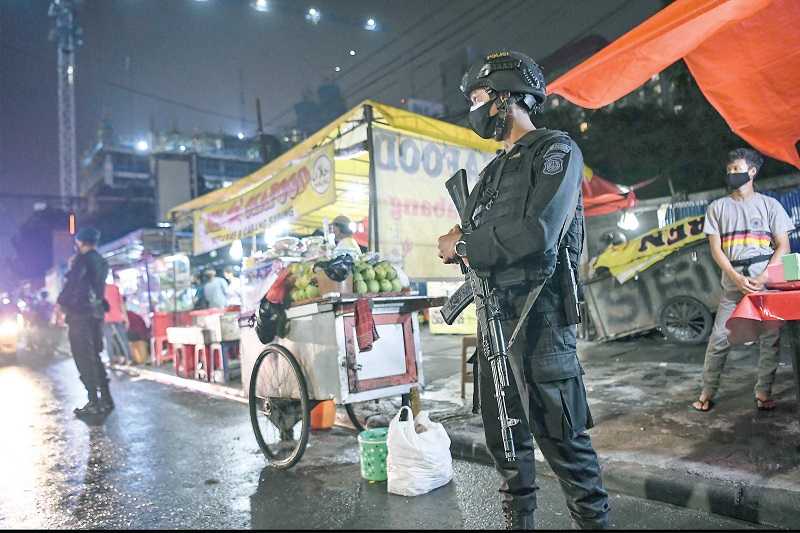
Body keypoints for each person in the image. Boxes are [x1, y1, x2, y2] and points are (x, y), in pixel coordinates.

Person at [436, 50, 608, 529]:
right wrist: (460, 243)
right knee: (506, 443)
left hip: (542, 321)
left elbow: (537, 233)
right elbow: (484, 239)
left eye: (477, 97)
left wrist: (465, 242)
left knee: (564, 443)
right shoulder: (491, 173)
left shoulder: (556, 151)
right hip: (494, 320)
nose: (472, 107)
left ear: (505, 98)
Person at [692, 148, 795, 413]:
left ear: (752, 171)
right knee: (719, 340)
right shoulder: (718, 208)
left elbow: (783, 245)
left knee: (770, 338)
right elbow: (716, 250)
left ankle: (763, 391)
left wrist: (764, 276)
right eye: (728, 171)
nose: (731, 174)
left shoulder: (770, 205)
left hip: (767, 283)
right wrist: (736, 278)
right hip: (733, 284)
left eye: (736, 169)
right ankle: (707, 391)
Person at [56, 227, 113, 418]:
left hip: (80, 315)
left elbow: (73, 286)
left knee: (83, 357)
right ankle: (106, 398)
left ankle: (94, 402)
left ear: (80, 242)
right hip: (96, 315)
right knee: (95, 356)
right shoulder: (102, 261)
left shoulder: (81, 260)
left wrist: (62, 301)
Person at [103, 277, 131, 365]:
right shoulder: (114, 288)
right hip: (118, 317)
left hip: (105, 319)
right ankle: (129, 359)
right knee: (123, 339)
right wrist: (126, 318)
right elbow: (121, 304)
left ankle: (112, 360)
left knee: (109, 340)